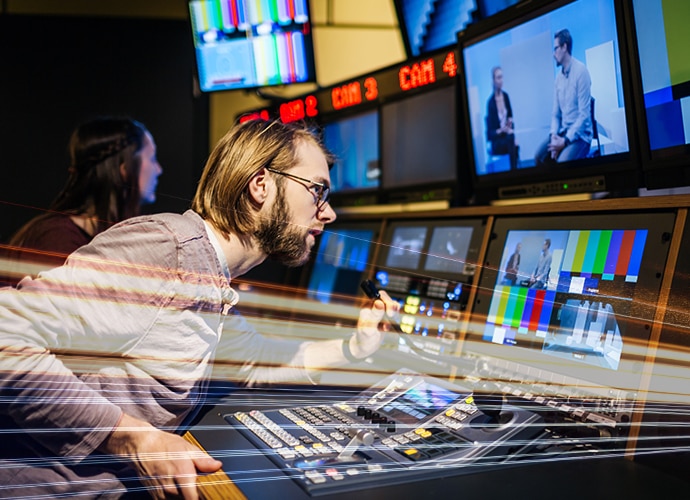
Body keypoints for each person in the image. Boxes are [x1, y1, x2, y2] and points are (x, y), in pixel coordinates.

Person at [0, 119, 398, 499]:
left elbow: (257, 361)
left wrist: (354, 348)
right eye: (317, 190)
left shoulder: (211, 276)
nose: (328, 212)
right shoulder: (168, 250)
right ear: (261, 184)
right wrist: (133, 438)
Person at [3, 117, 162, 282]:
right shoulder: (58, 238)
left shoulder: (92, 239)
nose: (159, 169)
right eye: (152, 158)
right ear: (124, 168)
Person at [534, 29, 593, 166]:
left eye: (555, 49)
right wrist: (554, 137)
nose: (553, 54)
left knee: (562, 164)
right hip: (562, 133)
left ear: (564, 47)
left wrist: (564, 141)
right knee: (539, 156)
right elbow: (555, 115)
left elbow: (584, 116)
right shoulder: (558, 79)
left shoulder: (581, 72)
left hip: (580, 137)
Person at [486, 66, 519, 170]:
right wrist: (501, 130)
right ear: (493, 80)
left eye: (502, 77)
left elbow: (510, 117)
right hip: (497, 141)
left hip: (508, 136)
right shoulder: (490, 103)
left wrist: (510, 125)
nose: (501, 80)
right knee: (512, 141)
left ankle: (514, 170)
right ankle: (514, 170)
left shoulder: (506, 96)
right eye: (498, 78)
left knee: (511, 138)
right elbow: (490, 133)